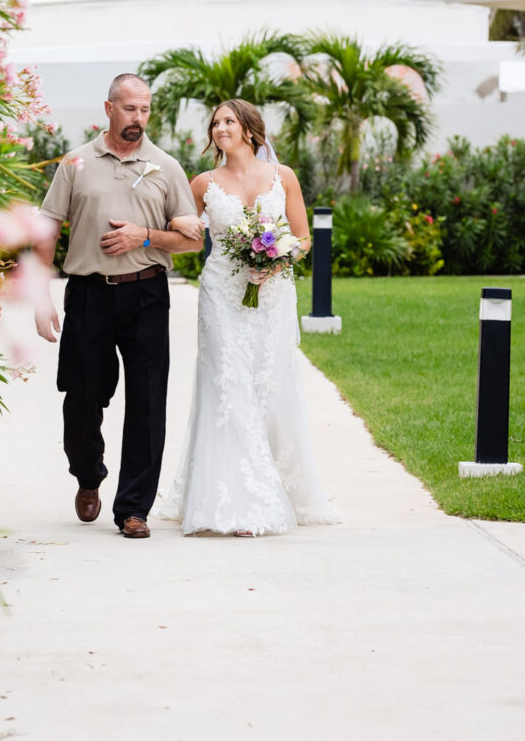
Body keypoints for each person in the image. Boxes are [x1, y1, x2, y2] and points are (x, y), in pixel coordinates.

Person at [151, 99, 341, 535]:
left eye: (228, 121)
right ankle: (236, 501)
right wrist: (148, 238)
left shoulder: (284, 177)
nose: (220, 128)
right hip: (221, 295)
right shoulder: (202, 183)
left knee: (270, 386)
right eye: (215, 123)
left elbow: (303, 237)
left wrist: (275, 260)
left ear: (250, 130)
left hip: (272, 295)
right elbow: (188, 237)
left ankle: (283, 486)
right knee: (227, 386)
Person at [34, 74, 203, 539]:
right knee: (82, 398)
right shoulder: (76, 163)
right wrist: (40, 294)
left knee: (148, 401)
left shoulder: (166, 167)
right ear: (108, 109)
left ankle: (134, 508)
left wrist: (144, 236)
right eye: (130, 109)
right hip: (89, 293)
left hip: (147, 293)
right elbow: (47, 227)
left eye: (145, 109)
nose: (138, 119)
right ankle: (88, 476)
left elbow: (192, 240)